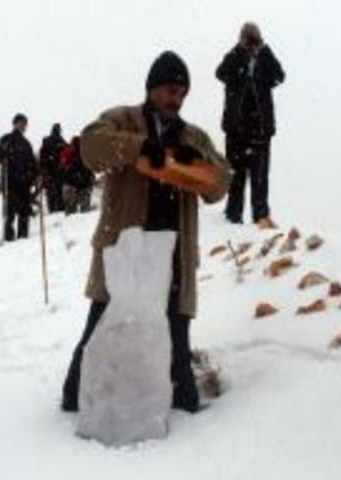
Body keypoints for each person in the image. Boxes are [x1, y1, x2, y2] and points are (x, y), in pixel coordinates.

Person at [61, 51, 231, 413]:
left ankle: (183, 414)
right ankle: (81, 399)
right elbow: (90, 147)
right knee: (96, 341)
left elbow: (220, 185)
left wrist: (193, 163)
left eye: (182, 92)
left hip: (173, 260)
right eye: (170, 90)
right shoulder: (122, 119)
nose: (176, 98)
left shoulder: (193, 137)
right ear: (152, 88)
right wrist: (139, 148)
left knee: (178, 357)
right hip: (124, 252)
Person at [217, 21, 285, 229]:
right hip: (236, 131)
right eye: (249, 42)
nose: (252, 46)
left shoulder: (264, 60)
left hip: (260, 131)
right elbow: (220, 73)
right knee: (235, 178)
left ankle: (261, 220)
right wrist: (239, 50)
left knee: (260, 179)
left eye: (256, 42)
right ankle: (232, 218)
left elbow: (280, 76)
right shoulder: (234, 59)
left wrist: (264, 51)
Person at [0, 114, 38, 241]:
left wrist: (35, 174)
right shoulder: (5, 139)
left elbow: (32, 163)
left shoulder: (26, 144)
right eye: (21, 123)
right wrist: (3, 152)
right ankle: (9, 238)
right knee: (10, 213)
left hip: (24, 182)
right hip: (10, 182)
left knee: (24, 212)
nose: (24, 126)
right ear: (15, 124)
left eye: (25, 124)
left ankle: (22, 239)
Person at [61, 136, 94, 214]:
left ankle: (71, 217)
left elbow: (64, 166)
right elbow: (90, 169)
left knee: (70, 208)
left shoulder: (69, 153)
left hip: (71, 182)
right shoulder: (86, 154)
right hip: (85, 182)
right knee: (85, 208)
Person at [39, 123, 67, 213]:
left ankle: (53, 210)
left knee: (52, 193)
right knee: (58, 193)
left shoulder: (47, 141)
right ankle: (59, 210)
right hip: (59, 171)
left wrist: (43, 170)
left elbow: (42, 159)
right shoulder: (62, 142)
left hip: (51, 171)